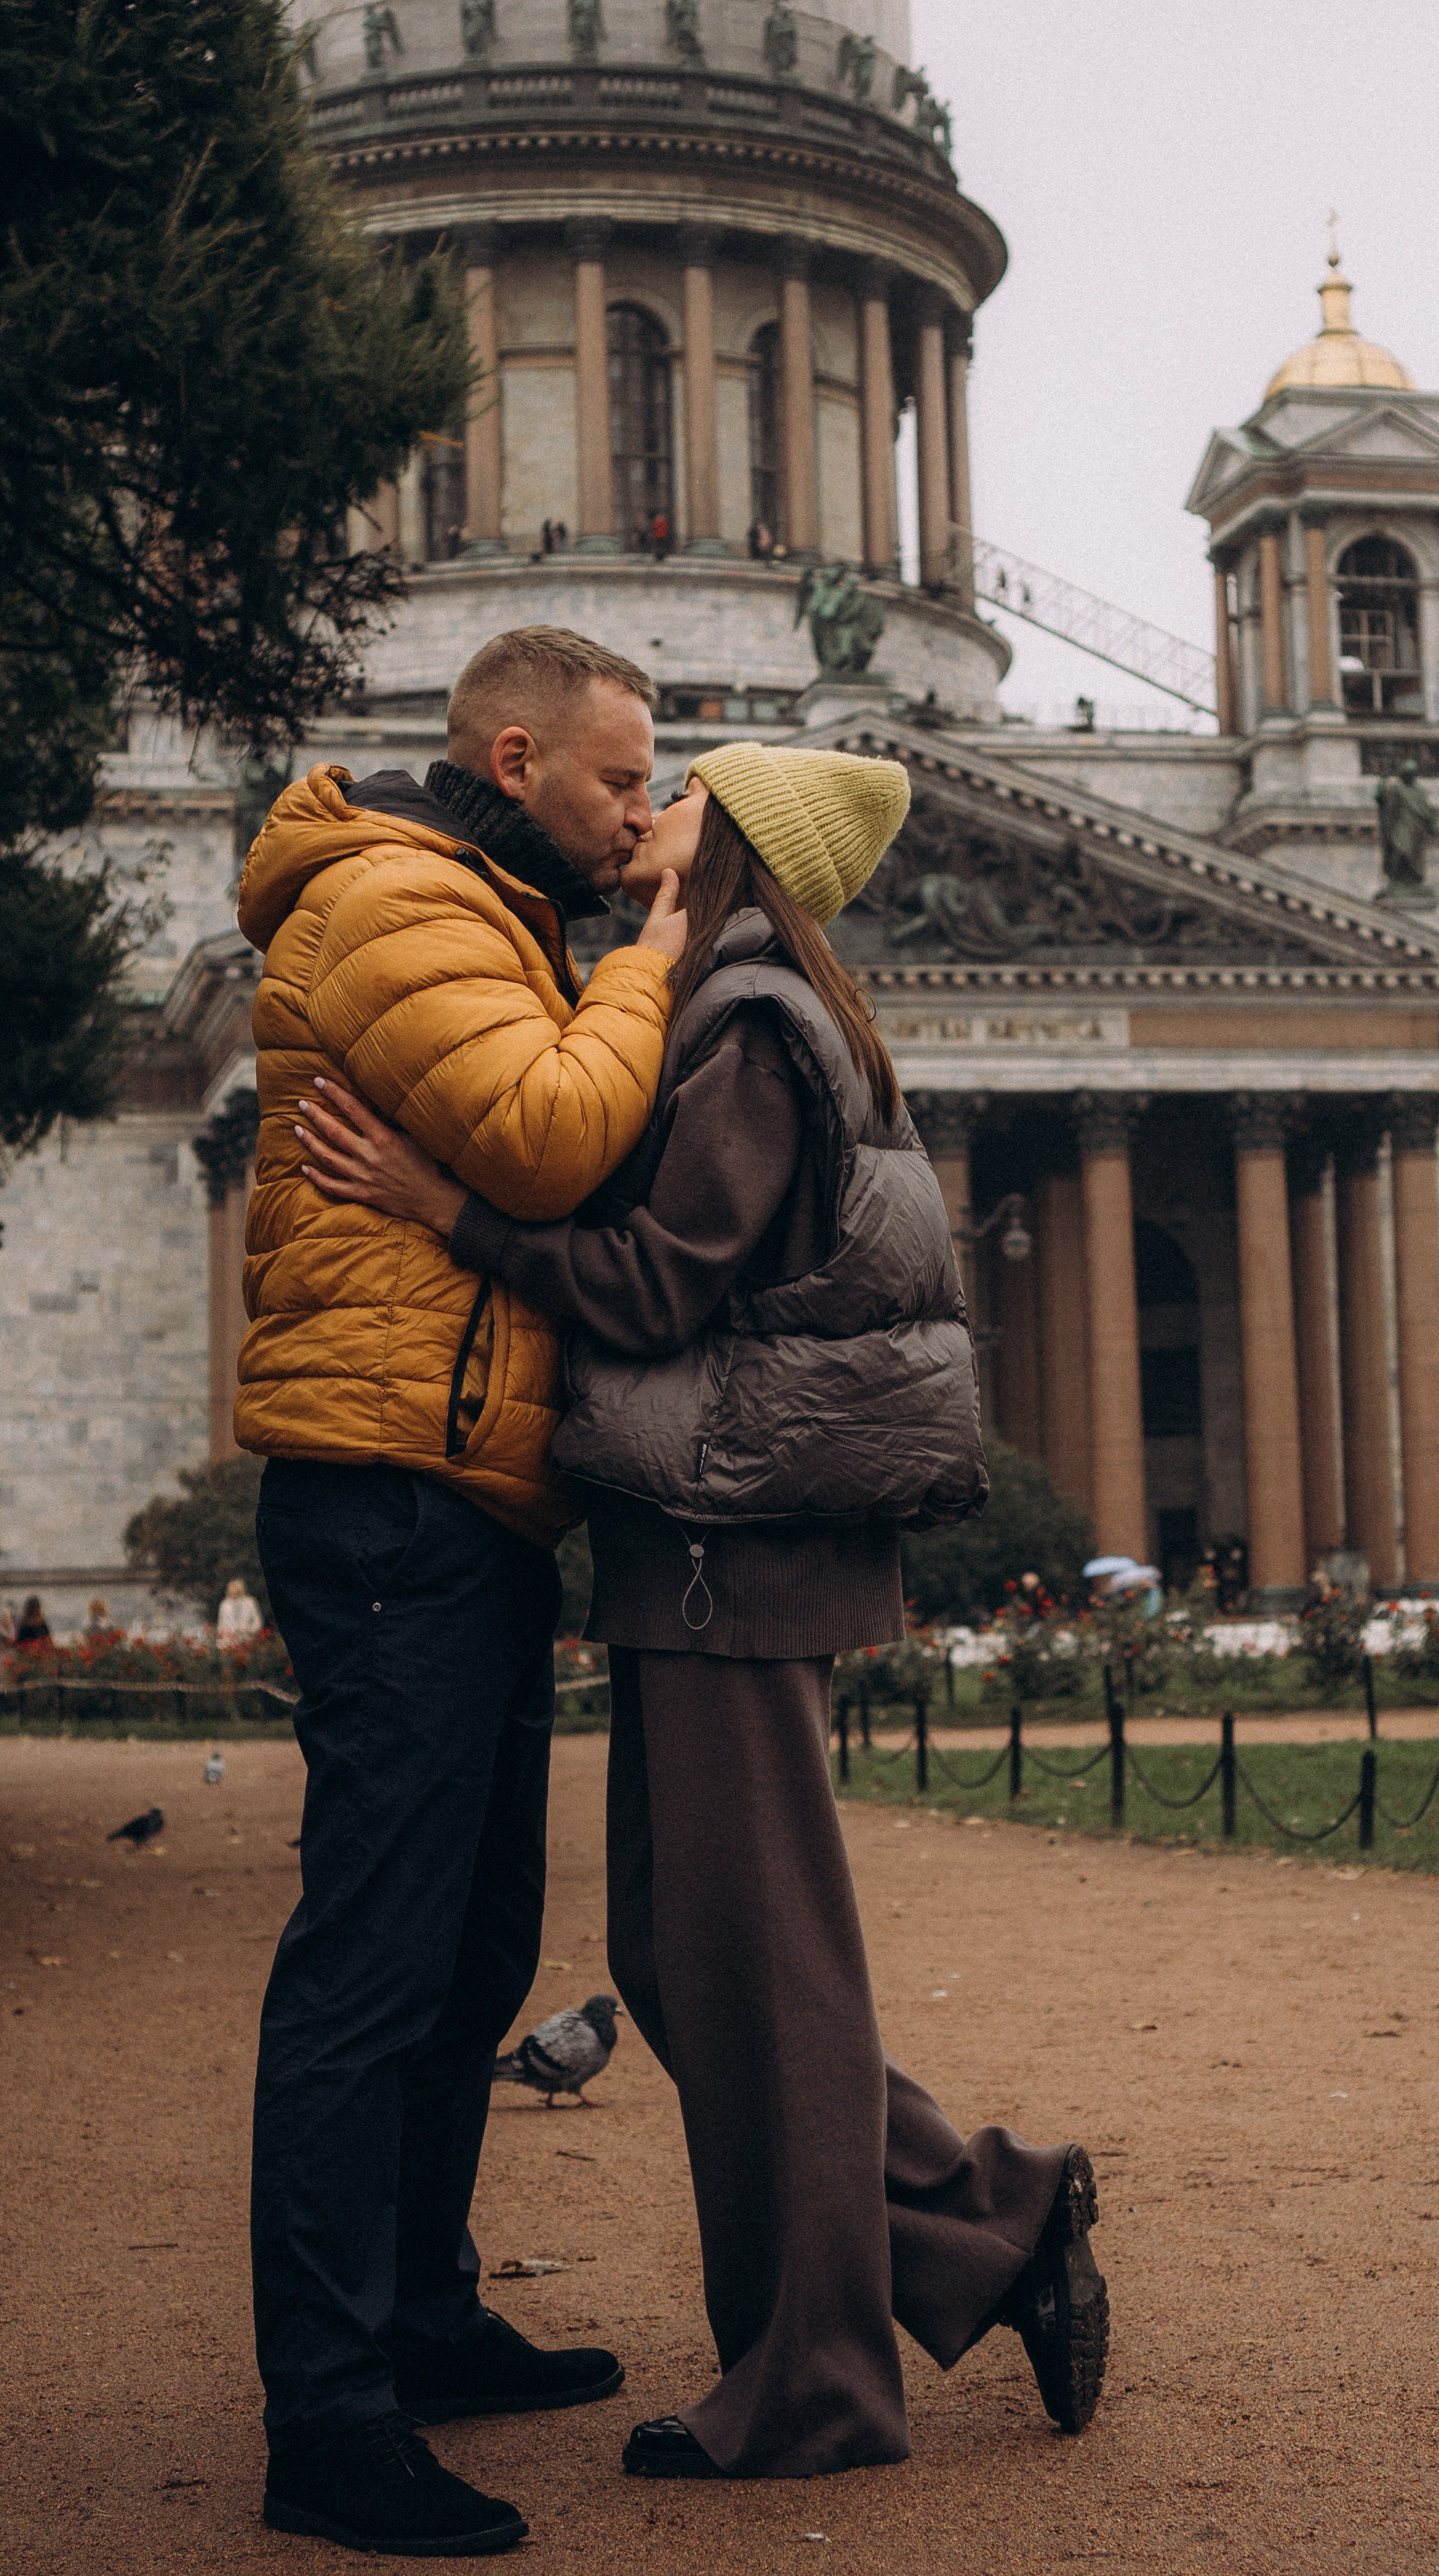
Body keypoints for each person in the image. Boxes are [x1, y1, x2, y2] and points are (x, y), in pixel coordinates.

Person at [295, 744, 1111, 2486]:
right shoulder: (740, 998)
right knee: (686, 1956)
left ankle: (817, 2380)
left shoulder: (739, 1018)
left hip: (722, 1543)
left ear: (727, 840)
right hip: (704, 1543)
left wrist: (446, 1207)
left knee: (760, 1969)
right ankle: (989, 2228)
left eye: (674, 790)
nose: (641, 805)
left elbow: (663, 1283)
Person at [236, 625, 688, 2558]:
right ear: (516, 754)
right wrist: (658, 961)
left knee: (471, 1948)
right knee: (371, 1964)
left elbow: (516, 1168)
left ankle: (417, 2317)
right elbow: (554, 1135)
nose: (646, 816)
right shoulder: (401, 896)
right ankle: (328, 2420)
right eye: (618, 783)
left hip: (467, 1496)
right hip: (394, 1501)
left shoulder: (491, 909)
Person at [216, 1577, 264, 1649]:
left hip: (248, 1640)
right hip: (229, 1643)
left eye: (234, 1588)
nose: (231, 1590)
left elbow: (258, 1622)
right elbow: (221, 1624)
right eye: (230, 1588)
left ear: (240, 1588)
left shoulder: (250, 1602)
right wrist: (221, 1643)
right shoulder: (224, 1604)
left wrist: (248, 1630)